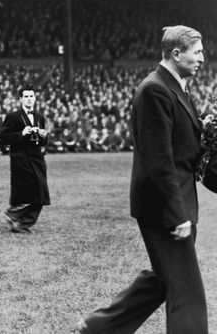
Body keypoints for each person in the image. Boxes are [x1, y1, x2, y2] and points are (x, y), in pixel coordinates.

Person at [78, 25, 207, 333]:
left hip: (175, 202)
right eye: (198, 52)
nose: (203, 58)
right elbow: (158, 161)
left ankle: (99, 327)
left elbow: (183, 143)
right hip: (163, 207)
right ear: (176, 54)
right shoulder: (154, 89)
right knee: (187, 291)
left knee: (165, 279)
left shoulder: (174, 86)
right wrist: (177, 215)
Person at [0, 83, 50, 234]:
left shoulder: (40, 117)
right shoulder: (12, 117)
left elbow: (43, 142)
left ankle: (17, 219)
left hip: (37, 159)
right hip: (20, 160)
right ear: (20, 99)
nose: (29, 99)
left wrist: (44, 137)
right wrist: (22, 133)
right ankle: (18, 220)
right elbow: (2, 138)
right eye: (25, 96)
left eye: (31, 96)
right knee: (28, 192)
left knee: (42, 192)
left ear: (35, 98)